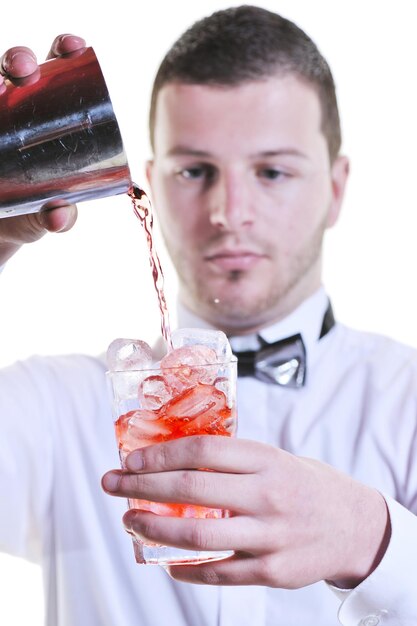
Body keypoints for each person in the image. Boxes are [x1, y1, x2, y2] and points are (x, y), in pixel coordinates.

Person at [1, 6, 416, 626]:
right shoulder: (53, 407)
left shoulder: (407, 400)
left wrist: (369, 537)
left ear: (335, 188)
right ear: (150, 184)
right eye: (194, 171)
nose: (229, 211)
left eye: (272, 171)